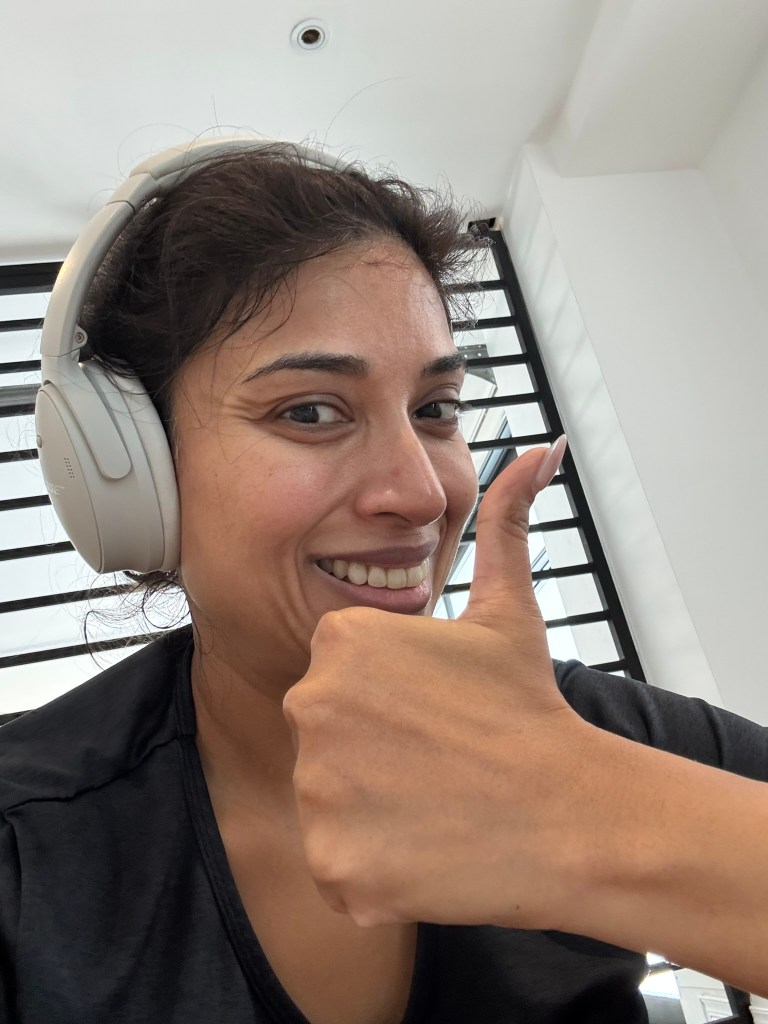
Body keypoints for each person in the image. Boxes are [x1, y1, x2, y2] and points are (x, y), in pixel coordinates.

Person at [1, 138, 767, 1024]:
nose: (423, 494)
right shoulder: (27, 836)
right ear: (135, 478)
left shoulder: (584, 735)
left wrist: (594, 818)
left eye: (436, 409)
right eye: (310, 411)